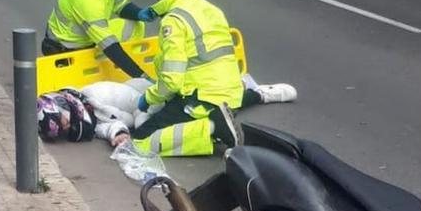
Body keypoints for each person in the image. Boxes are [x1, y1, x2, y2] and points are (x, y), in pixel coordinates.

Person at [130, 0, 296, 157]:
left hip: (202, 98)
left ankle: (214, 128)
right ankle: (256, 96)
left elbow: (172, 82)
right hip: (231, 90)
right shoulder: (209, 8)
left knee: (138, 142)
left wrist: (149, 98)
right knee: (202, 102)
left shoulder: (173, 21)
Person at [38, 76, 296, 148]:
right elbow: (102, 127)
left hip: (148, 98)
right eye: (62, 130)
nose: (66, 127)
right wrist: (117, 135)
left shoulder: (92, 95)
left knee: (194, 107)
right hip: (149, 102)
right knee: (196, 112)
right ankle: (217, 126)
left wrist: (139, 120)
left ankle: (258, 93)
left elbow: (118, 112)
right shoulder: (86, 117)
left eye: (61, 122)